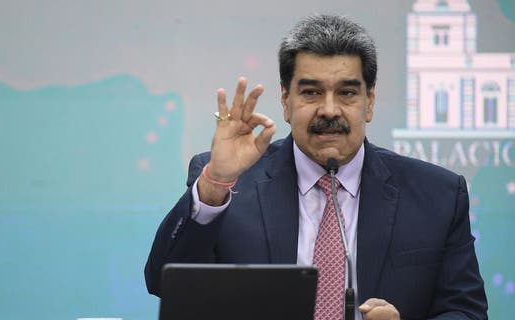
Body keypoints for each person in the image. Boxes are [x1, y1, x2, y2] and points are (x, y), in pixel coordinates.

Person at [144, 14, 487, 320]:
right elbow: (162, 282)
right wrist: (215, 183)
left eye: (347, 93)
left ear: (369, 102)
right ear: (285, 100)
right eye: (310, 92)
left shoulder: (437, 195)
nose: (329, 110)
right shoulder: (227, 181)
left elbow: (466, 310)